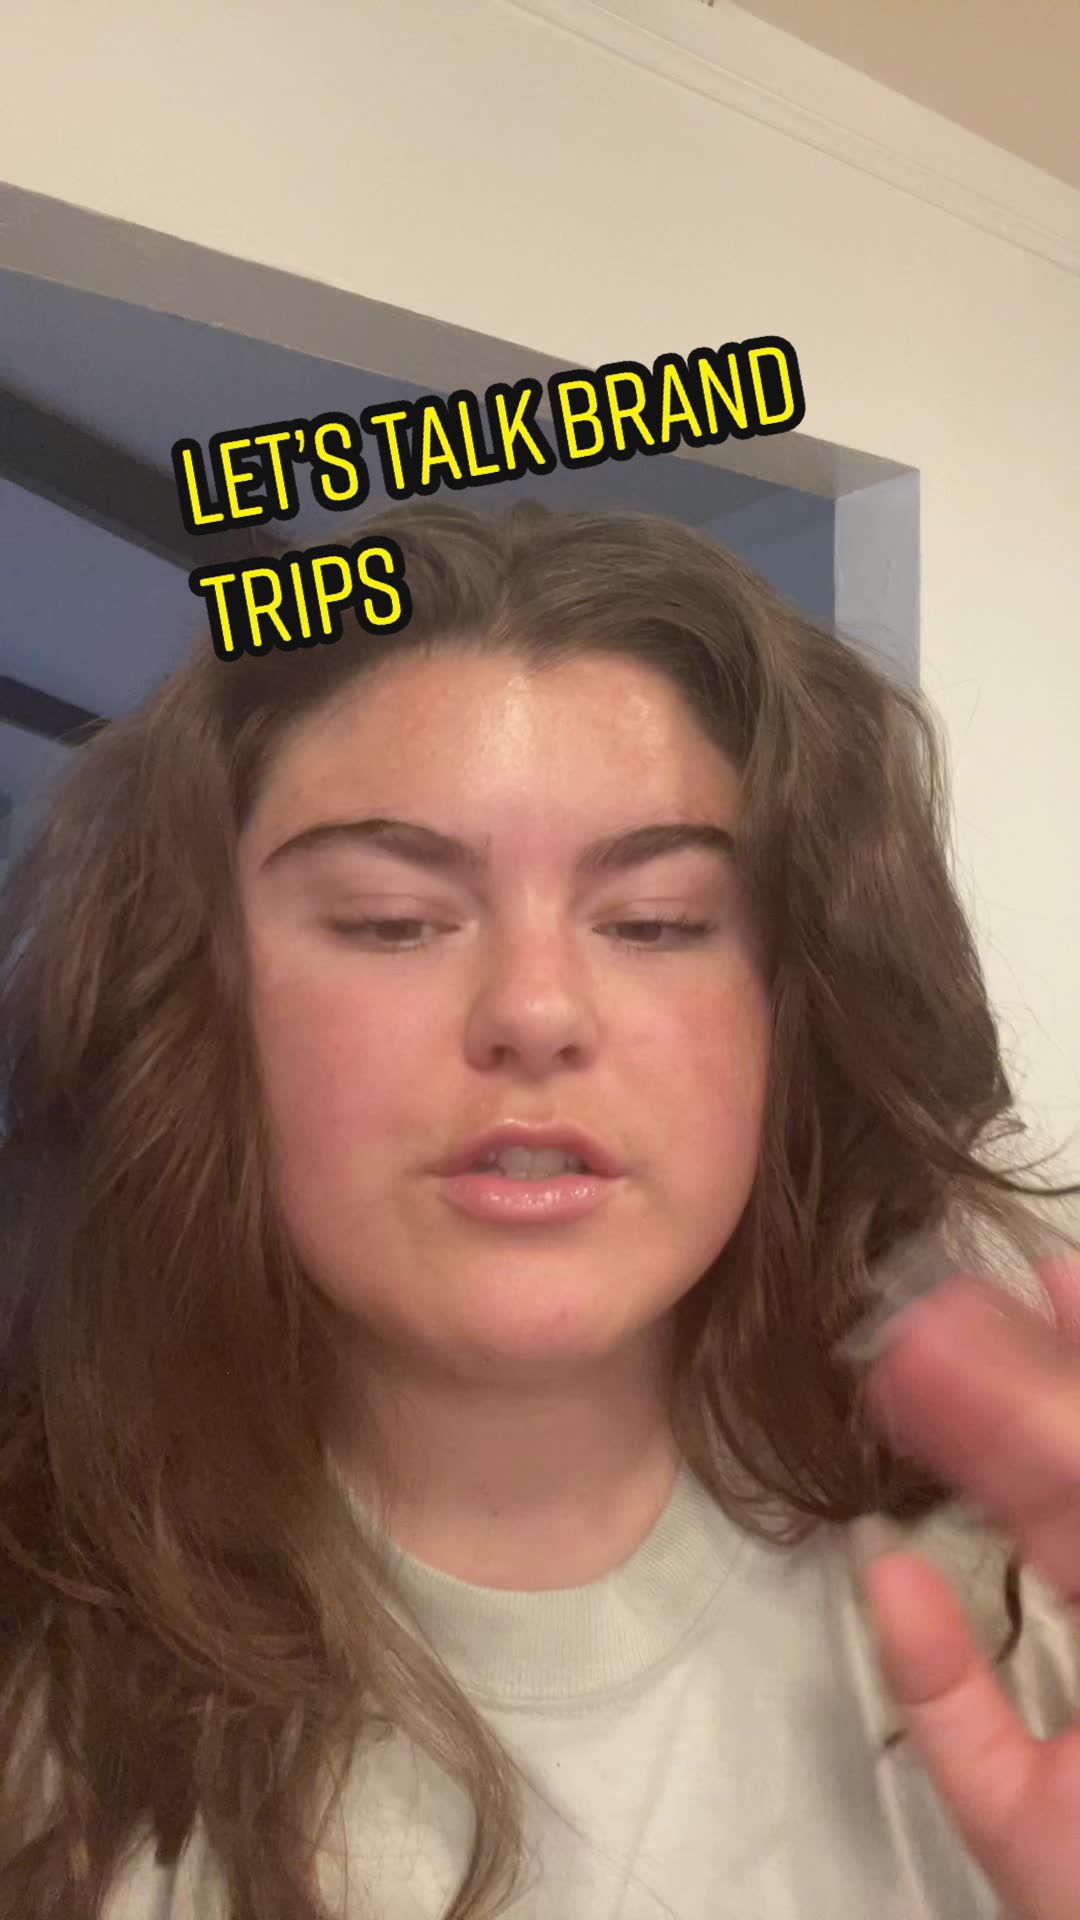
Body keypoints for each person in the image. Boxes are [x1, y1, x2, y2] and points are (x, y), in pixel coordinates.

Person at [0, 499, 1077, 1920]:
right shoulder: (35, 1690)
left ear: (792, 1009)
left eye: (656, 922)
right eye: (392, 920)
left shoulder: (1028, 1616)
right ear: (199, 1004)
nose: (534, 1010)